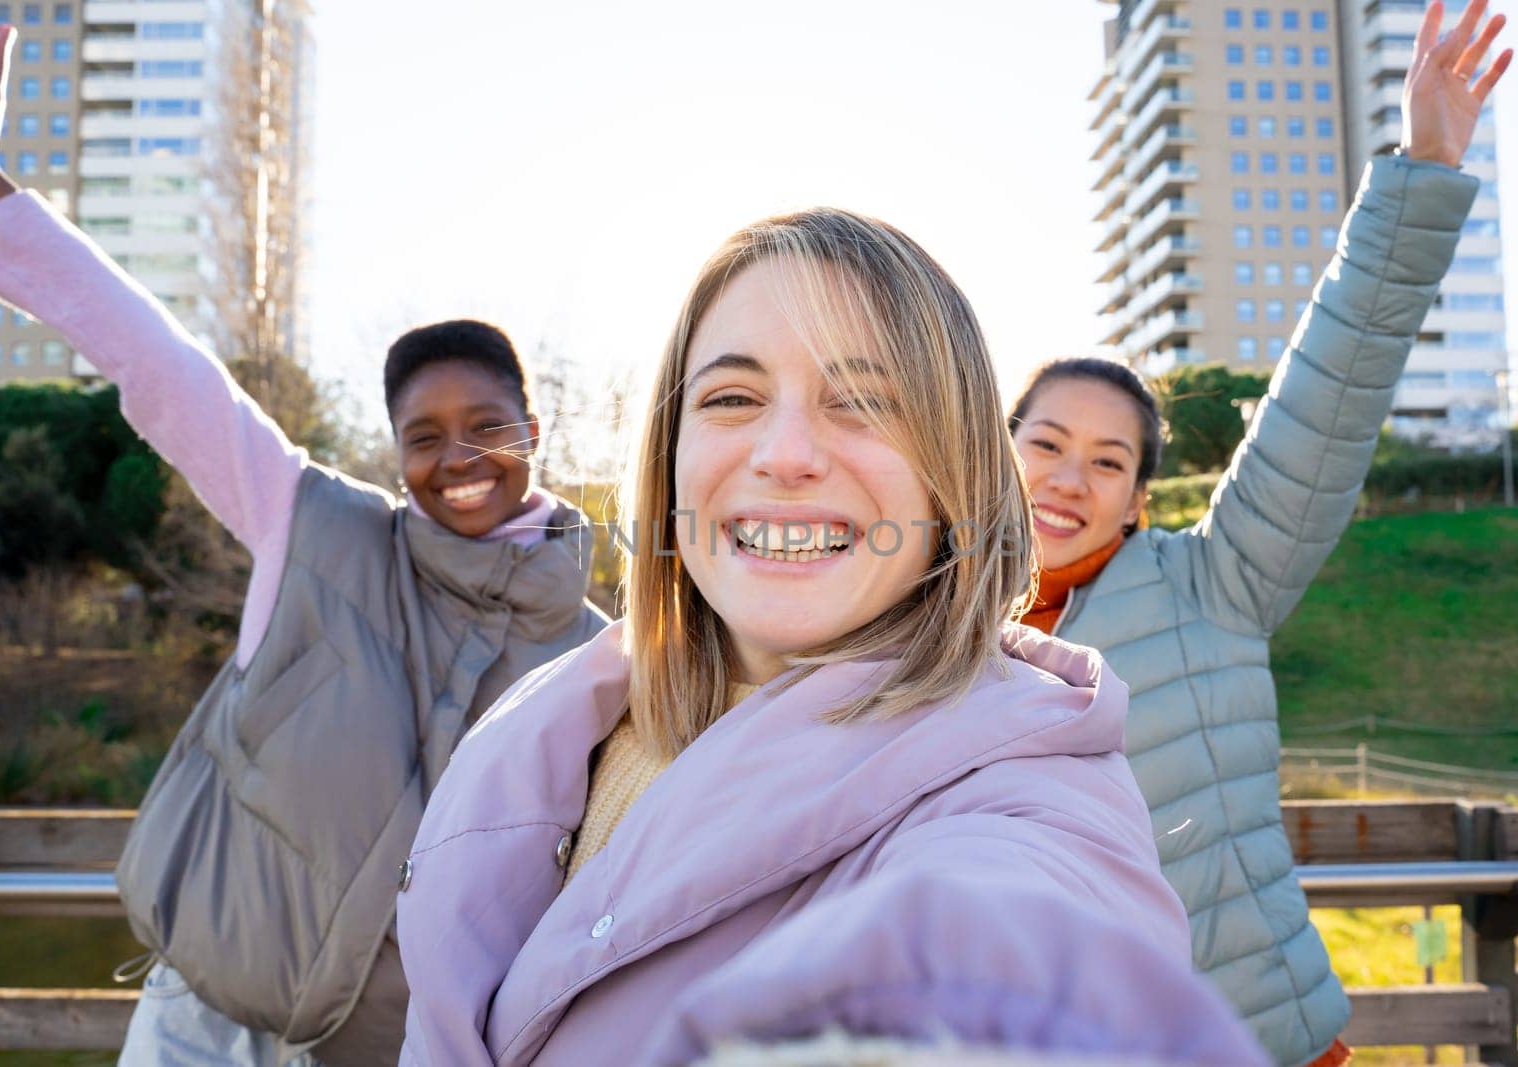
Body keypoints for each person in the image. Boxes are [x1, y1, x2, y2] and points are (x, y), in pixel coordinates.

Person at [394, 209, 1272, 1067]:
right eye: (732, 396)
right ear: (668, 453)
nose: (786, 452)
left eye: (862, 402)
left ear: (954, 473)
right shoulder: (556, 715)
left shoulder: (1019, 791)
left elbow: (1014, 958)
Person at [0, 26, 607, 1064]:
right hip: (198, 1026)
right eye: (425, 435)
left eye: (488, 425)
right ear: (395, 451)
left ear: (533, 434)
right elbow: (159, 363)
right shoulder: (315, 526)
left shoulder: (600, 659)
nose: (459, 456)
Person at [1006, 3, 1512, 1065]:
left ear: (1142, 494)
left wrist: (1420, 169)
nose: (1068, 478)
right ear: (994, 452)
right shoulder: (931, 632)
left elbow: (1326, 397)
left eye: (1107, 460)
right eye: (1045, 443)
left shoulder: (1214, 586)